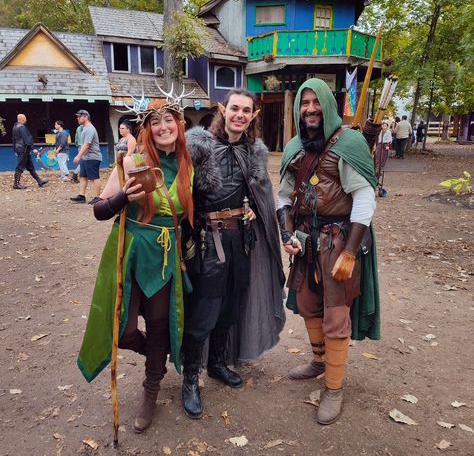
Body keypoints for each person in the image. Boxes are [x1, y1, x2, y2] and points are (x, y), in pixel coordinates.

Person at [77, 99, 194, 433]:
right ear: (147, 129)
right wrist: (122, 198)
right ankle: (158, 355)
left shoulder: (189, 164)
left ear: (179, 124)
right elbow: (99, 210)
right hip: (131, 254)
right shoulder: (132, 161)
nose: (163, 127)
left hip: (165, 261)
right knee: (124, 331)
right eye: (155, 122)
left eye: (169, 120)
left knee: (158, 326)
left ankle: (151, 390)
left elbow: (193, 215)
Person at [278, 78, 380, 425]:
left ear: (328, 104)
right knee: (308, 306)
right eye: (304, 103)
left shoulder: (349, 143)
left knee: (336, 317)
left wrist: (350, 252)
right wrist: (286, 233)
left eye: (316, 102)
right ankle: (319, 362)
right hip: (306, 241)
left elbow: (364, 199)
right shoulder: (295, 145)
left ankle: (333, 388)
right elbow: (284, 197)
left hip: (338, 240)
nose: (309, 109)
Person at [182, 88, 286, 419]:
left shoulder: (253, 152)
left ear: (253, 116)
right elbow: (182, 194)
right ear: (222, 110)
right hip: (208, 243)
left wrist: (255, 210)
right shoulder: (199, 147)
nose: (240, 115)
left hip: (241, 242)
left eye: (246, 111)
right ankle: (189, 380)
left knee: (230, 309)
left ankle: (216, 365)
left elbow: (262, 195)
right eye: (234, 108)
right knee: (204, 314)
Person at [70, 110, 102, 204]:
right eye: (77, 117)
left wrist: (78, 156)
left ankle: (98, 197)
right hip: (86, 157)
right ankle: (81, 196)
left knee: (94, 177)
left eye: (79, 117)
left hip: (92, 157)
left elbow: (87, 145)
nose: (78, 118)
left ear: (86, 117)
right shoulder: (84, 128)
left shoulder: (89, 129)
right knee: (83, 177)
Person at [12, 113, 48, 189]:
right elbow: (26, 139)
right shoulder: (22, 127)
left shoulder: (15, 127)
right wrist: (33, 148)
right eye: (25, 119)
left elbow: (14, 140)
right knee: (20, 167)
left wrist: (15, 150)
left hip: (20, 149)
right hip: (24, 149)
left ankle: (39, 181)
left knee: (30, 167)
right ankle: (16, 184)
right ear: (22, 119)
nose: (26, 120)